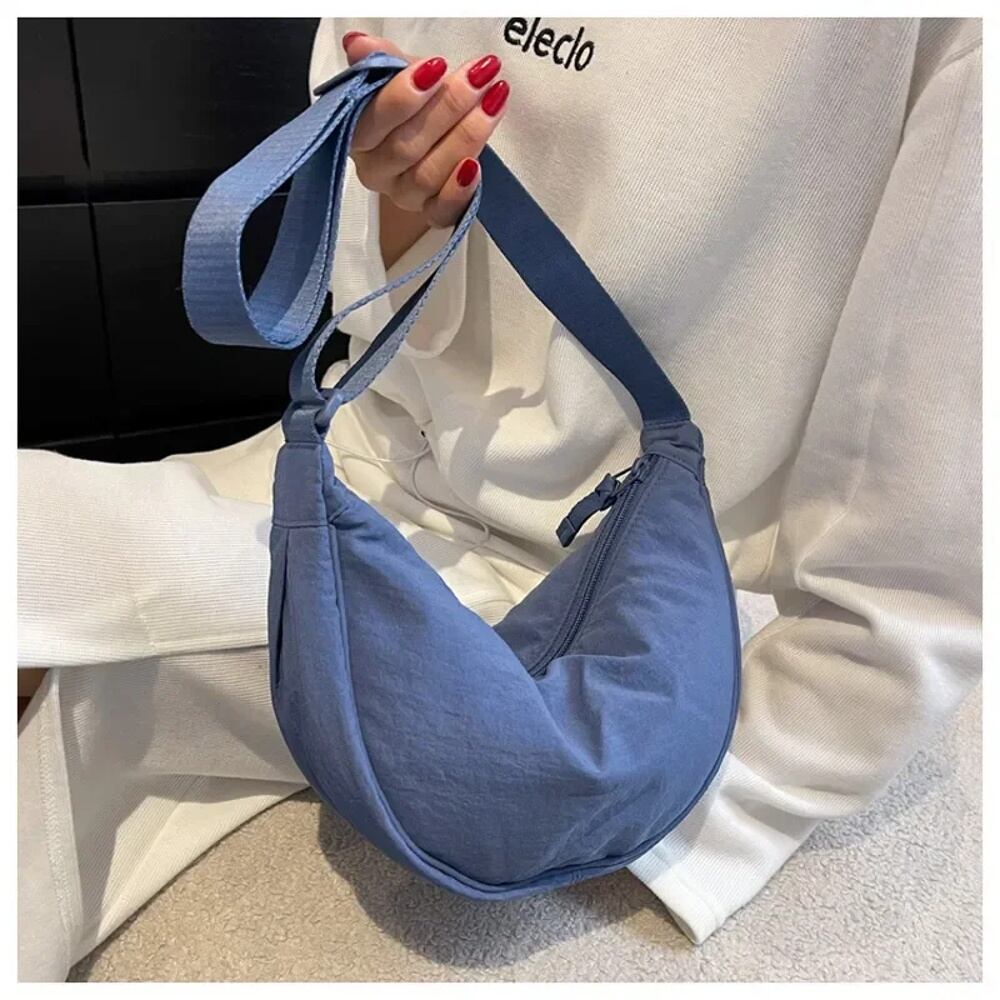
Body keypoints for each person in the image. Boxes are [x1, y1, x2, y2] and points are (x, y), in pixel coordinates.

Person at [18, 17, 981, 981]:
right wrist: (403, 198)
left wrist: (737, 792)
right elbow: (373, 293)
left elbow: (922, 527)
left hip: (654, 579)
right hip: (381, 467)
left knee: (78, 715)